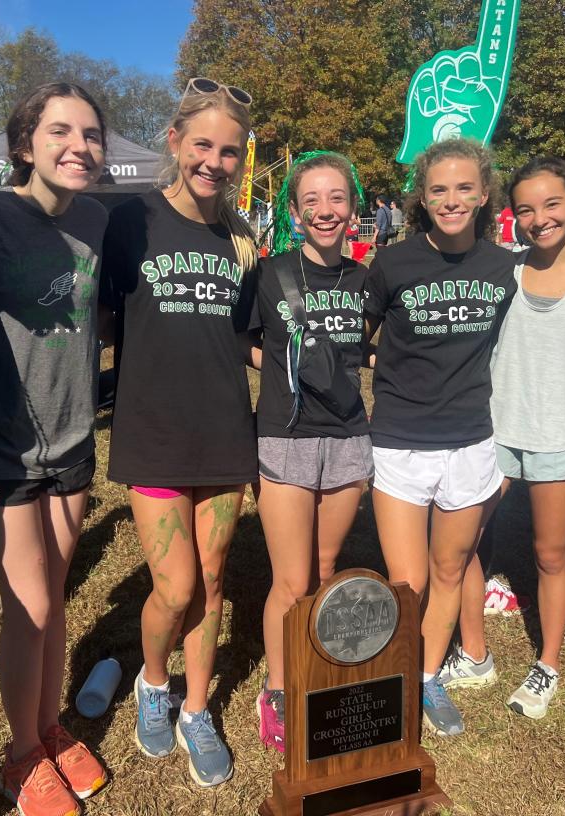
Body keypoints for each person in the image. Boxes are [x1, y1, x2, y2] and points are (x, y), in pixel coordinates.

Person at [102, 77, 258, 788]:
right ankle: (152, 683)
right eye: (203, 144)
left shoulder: (242, 239)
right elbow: (97, 324)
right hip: (155, 433)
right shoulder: (130, 222)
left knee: (215, 580)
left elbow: (253, 338)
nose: (215, 161)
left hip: (225, 433)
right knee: (174, 585)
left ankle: (198, 709)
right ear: (175, 141)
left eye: (229, 151)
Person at [439, 158, 565, 719]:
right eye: (525, 209)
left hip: (562, 440)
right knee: (463, 544)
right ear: (512, 216)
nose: (539, 218)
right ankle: (474, 652)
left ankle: (547, 665)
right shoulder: (504, 272)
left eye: (551, 205)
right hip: (491, 433)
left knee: (550, 556)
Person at [0, 83, 109, 815]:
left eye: (91, 134)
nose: (78, 146)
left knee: (53, 598)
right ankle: (20, 758)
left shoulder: (94, 220)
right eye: (60, 131)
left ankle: (49, 728)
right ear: (25, 144)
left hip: (74, 439)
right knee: (25, 604)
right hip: (4, 449)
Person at [364, 138, 516, 737]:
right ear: (421, 199)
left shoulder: (506, 267)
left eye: (463, 189)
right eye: (438, 190)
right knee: (410, 583)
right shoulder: (394, 263)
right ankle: (400, 679)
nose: (451, 200)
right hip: (401, 439)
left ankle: (427, 677)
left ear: (483, 195)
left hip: (472, 441)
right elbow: (355, 336)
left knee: (450, 572)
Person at [250, 151, 372, 753]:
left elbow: (372, 349)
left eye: (336, 199)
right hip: (288, 437)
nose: (326, 211)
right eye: (312, 201)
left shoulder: (367, 278)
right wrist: (288, 371)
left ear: (353, 207)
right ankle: (276, 689)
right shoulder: (271, 274)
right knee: (290, 578)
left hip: (350, 438)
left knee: (324, 573)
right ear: (295, 212)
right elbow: (250, 345)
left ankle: (314, 665)